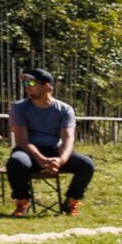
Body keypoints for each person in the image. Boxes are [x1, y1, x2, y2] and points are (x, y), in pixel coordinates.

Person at [6, 68, 95, 215]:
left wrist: (60, 160)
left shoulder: (65, 109)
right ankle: (22, 202)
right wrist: (40, 159)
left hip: (54, 151)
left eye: (31, 82)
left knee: (86, 164)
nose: (27, 85)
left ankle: (71, 202)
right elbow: (21, 139)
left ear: (47, 86)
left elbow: (68, 138)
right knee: (16, 162)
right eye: (25, 82)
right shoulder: (19, 107)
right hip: (28, 151)